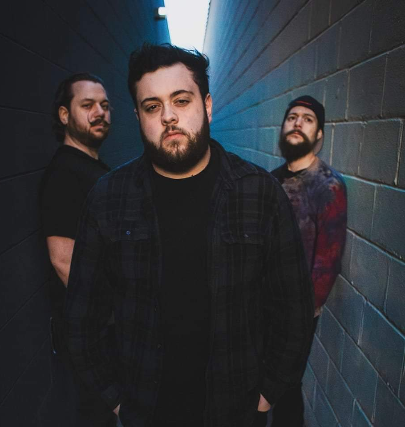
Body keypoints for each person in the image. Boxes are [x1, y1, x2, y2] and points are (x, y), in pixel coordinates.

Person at [64, 44, 314, 427]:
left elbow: (293, 307)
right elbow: (82, 316)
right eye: (152, 106)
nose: (168, 116)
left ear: (207, 106)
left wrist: (266, 395)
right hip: (147, 412)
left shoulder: (259, 193)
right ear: (138, 117)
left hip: (236, 412)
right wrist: (115, 401)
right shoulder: (108, 198)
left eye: (181, 100)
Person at [40, 73, 116, 427]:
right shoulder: (65, 173)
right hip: (91, 335)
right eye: (87, 105)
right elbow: (63, 260)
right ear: (64, 115)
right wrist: (114, 311)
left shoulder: (90, 168)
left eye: (104, 105)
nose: (100, 112)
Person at [271, 96, 347, 426]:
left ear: (318, 135)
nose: (297, 122)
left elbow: (328, 262)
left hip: (297, 311)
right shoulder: (271, 180)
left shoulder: (328, 185)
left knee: (285, 387)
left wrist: (303, 315)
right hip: (262, 301)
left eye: (307, 119)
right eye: (292, 117)